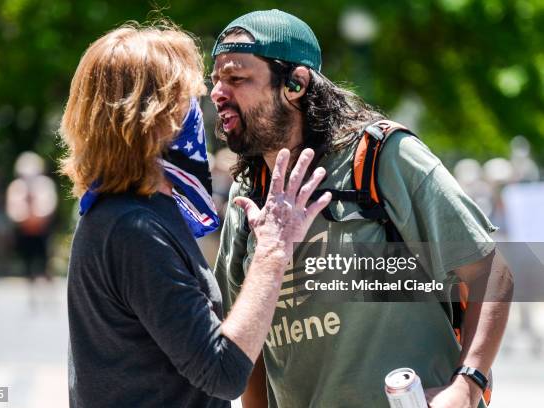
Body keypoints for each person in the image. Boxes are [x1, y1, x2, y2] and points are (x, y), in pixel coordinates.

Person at [211, 9, 514, 408]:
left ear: (296, 83)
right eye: (214, 80)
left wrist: (467, 385)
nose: (217, 92)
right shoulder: (247, 197)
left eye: (236, 78)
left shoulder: (381, 157)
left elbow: (491, 272)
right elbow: (247, 344)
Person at [59, 22, 331, 408]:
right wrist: (273, 247)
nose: (203, 106)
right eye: (187, 97)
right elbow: (222, 372)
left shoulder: (129, 211)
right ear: (155, 118)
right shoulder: (131, 228)